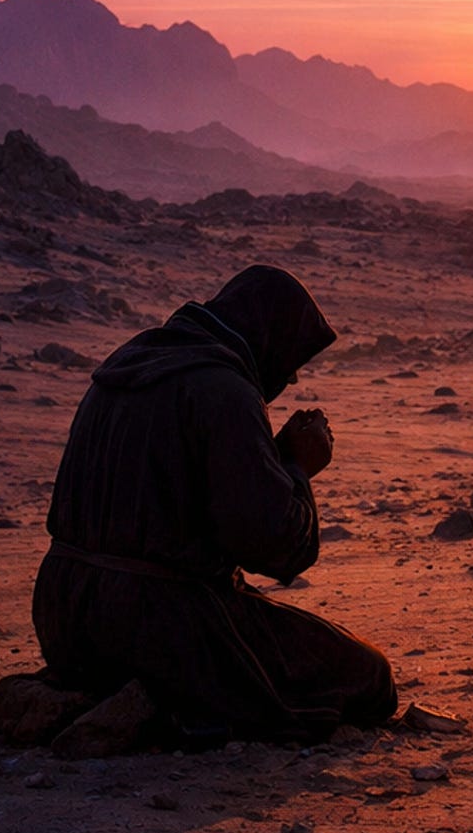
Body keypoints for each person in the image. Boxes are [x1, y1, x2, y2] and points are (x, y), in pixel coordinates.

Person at [31, 263, 396, 742]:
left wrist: (272, 459)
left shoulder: (128, 362)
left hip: (64, 619)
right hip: (157, 625)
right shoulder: (224, 391)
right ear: (269, 338)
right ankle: (173, 708)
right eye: (290, 361)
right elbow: (275, 547)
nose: (287, 379)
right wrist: (299, 467)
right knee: (369, 677)